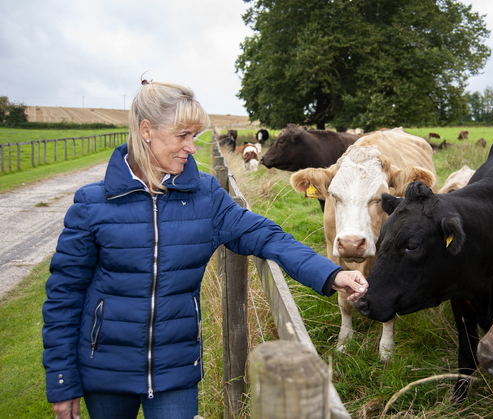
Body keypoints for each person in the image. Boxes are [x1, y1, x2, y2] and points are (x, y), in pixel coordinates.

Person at [42, 80, 368, 419]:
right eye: (182, 136)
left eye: (193, 137)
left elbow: (266, 235)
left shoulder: (205, 196)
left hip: (176, 369)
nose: (191, 148)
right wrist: (63, 381)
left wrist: (332, 274)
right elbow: (64, 296)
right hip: (105, 368)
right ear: (146, 130)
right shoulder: (93, 203)